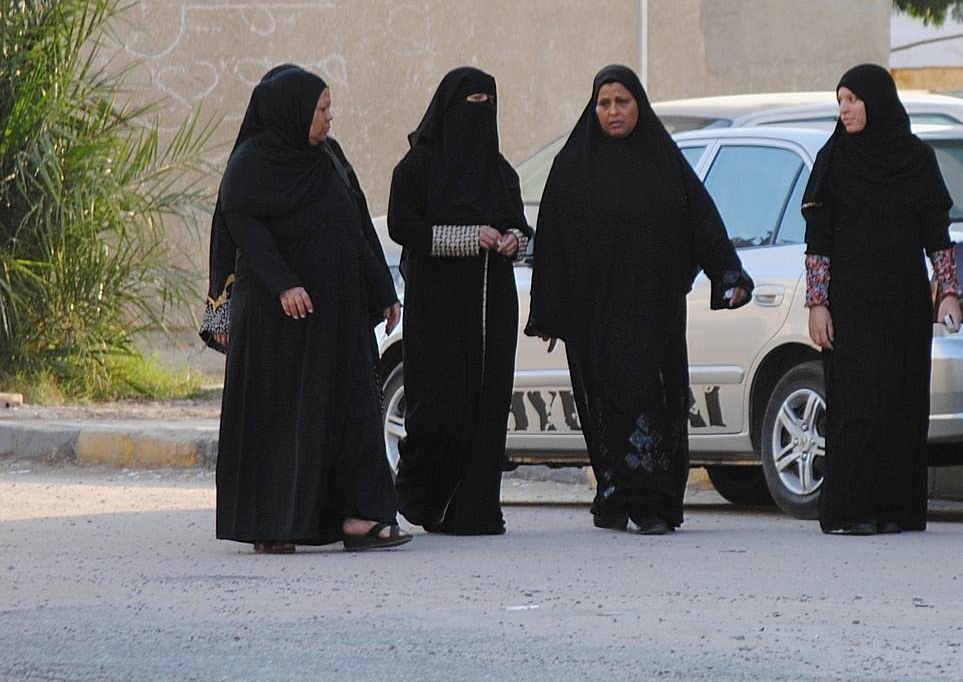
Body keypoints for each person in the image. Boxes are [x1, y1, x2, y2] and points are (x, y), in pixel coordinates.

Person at [525, 64, 753, 535]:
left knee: (652, 400)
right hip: (595, 316)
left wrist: (728, 274)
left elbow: (701, 220)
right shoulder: (572, 167)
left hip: (654, 313)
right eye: (604, 103)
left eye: (622, 102)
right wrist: (548, 312)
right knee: (607, 404)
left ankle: (651, 501)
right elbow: (553, 242)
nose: (613, 112)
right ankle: (615, 493)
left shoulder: (664, 162)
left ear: (639, 106)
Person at [209, 65, 409, 553]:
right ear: (293, 112)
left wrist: (383, 290)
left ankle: (363, 517)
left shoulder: (328, 158)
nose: (329, 118)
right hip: (278, 323)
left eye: (328, 108)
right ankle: (273, 525)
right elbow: (243, 227)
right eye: (321, 109)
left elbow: (355, 226)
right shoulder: (251, 164)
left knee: (354, 410)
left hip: (338, 314)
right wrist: (283, 283)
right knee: (281, 424)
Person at [801, 63, 963, 536]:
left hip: (904, 302)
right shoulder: (834, 159)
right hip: (851, 303)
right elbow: (818, 240)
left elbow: (937, 232)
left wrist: (948, 293)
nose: (845, 109)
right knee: (858, 402)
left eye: (853, 100)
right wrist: (817, 304)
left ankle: (895, 510)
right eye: (840, 101)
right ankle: (850, 510)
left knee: (901, 401)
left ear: (878, 102)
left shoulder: (916, 160)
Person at [387, 67, 532, 535]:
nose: (479, 116)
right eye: (470, 105)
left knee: (488, 402)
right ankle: (428, 502)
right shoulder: (417, 167)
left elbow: (521, 227)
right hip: (439, 308)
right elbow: (402, 226)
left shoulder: (501, 171)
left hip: (493, 308)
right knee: (440, 401)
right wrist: (467, 238)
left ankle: (475, 508)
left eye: (487, 105)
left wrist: (513, 241)